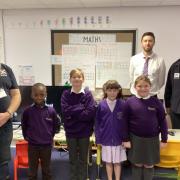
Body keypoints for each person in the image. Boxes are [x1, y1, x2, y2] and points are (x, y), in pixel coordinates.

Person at [122, 75, 168, 180]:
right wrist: (125, 139)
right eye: (140, 86)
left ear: (150, 86)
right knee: (137, 164)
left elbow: (163, 121)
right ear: (135, 87)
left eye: (146, 86)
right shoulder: (129, 102)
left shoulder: (156, 102)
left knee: (149, 164)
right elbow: (124, 122)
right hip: (135, 139)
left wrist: (164, 139)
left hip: (152, 139)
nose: (143, 88)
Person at [61, 68, 96, 180]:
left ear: (83, 79)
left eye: (79, 77)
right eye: (74, 77)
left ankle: (82, 178)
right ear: (70, 79)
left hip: (84, 132)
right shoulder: (66, 94)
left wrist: (73, 113)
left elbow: (89, 114)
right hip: (70, 132)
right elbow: (65, 111)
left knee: (83, 159)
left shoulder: (88, 95)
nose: (76, 79)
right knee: (72, 159)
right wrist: (81, 107)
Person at [21, 83, 60, 180]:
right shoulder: (27, 111)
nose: (39, 97)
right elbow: (24, 126)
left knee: (46, 171)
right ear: (32, 95)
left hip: (46, 146)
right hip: (32, 146)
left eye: (42, 95)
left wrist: (49, 137)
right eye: (36, 94)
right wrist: (28, 137)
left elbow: (55, 126)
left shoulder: (51, 111)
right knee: (32, 172)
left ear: (46, 94)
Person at [95, 80, 127, 180]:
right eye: (109, 90)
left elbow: (126, 123)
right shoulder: (101, 105)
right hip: (106, 139)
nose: (112, 92)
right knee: (108, 162)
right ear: (106, 91)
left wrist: (126, 139)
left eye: (114, 90)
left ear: (118, 91)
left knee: (117, 162)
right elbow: (97, 123)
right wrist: (98, 139)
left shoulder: (123, 104)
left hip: (119, 140)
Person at [0, 63, 21, 180]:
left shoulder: (6, 69)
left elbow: (16, 94)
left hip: (4, 124)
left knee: (3, 159)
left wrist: (8, 114)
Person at [129, 32, 166, 97]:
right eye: (145, 41)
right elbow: (131, 78)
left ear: (154, 43)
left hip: (152, 95)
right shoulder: (134, 59)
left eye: (150, 41)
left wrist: (150, 90)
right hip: (136, 95)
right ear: (141, 42)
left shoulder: (160, 60)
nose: (147, 43)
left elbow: (161, 82)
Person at [164, 59, 180, 129]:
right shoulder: (175, 66)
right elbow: (168, 87)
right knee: (177, 136)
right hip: (176, 110)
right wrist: (167, 105)